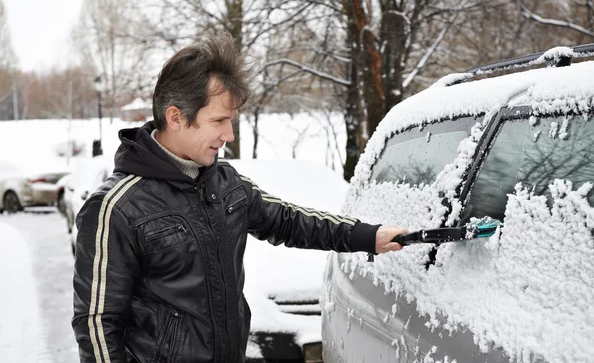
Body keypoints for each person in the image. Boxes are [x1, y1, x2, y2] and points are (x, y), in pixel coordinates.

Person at [72, 33, 408, 363]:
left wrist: (368, 236)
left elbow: (289, 222)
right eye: (218, 121)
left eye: (230, 121)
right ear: (175, 117)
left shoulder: (224, 183)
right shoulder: (116, 208)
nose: (228, 134)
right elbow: (98, 327)